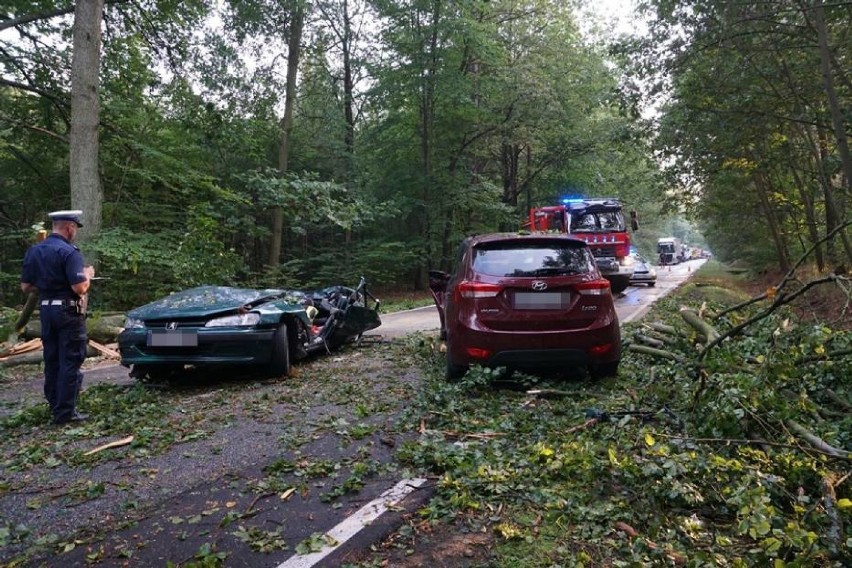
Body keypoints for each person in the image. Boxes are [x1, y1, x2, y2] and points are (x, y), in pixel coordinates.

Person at [20, 210, 95, 425]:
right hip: (68, 312)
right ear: (70, 227)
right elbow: (79, 288)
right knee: (70, 359)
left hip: (46, 311)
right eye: (75, 229)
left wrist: (48, 286)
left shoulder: (34, 251)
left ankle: (54, 405)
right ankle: (65, 413)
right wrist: (87, 275)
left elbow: (26, 287)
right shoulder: (69, 252)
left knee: (52, 359)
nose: (75, 233)